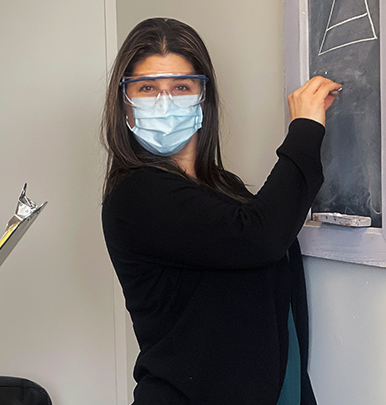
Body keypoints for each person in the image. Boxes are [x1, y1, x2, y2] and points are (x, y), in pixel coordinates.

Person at [101, 18, 340, 404]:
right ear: (125, 107)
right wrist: (305, 130)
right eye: (147, 88)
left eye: (181, 87)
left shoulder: (224, 189)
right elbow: (260, 237)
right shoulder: (136, 195)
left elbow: (267, 245)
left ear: (203, 98)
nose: (165, 101)